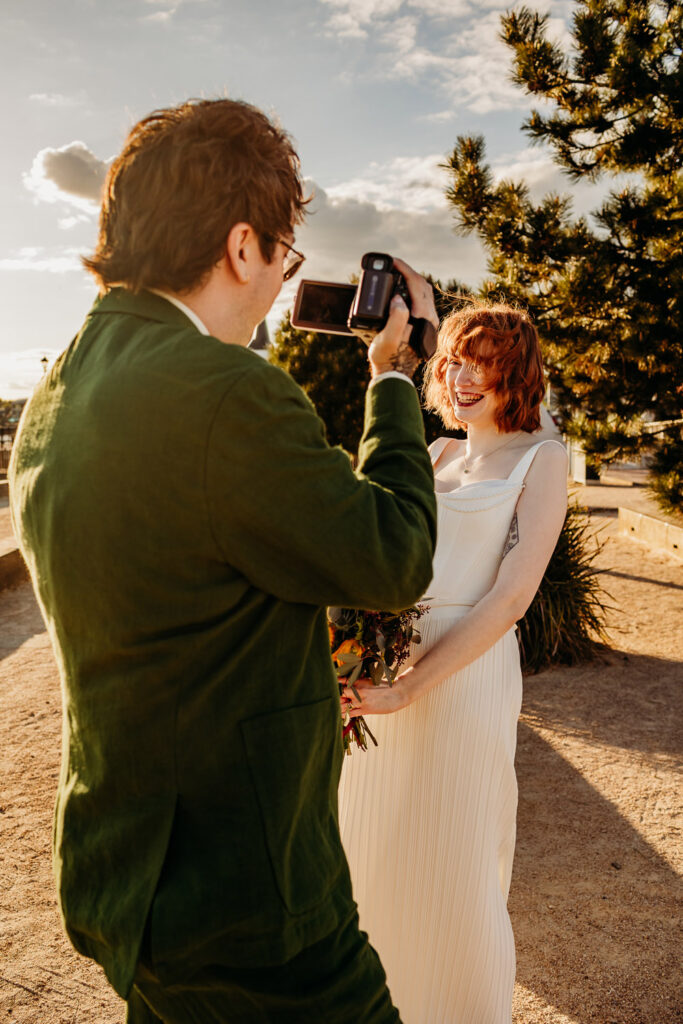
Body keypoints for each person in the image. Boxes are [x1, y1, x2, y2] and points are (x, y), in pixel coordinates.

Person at [8, 98, 439, 1023]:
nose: (280, 282)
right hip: (248, 904)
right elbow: (393, 555)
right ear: (244, 247)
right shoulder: (223, 392)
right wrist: (395, 380)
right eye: (284, 259)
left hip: (128, 879)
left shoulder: (62, 384)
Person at [339, 301, 568, 1023]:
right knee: (364, 843)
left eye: (483, 362)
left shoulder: (542, 456)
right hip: (385, 671)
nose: (462, 376)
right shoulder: (434, 453)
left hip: (464, 677)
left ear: (517, 373)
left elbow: (509, 598)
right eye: (453, 360)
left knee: (453, 854)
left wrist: (411, 688)